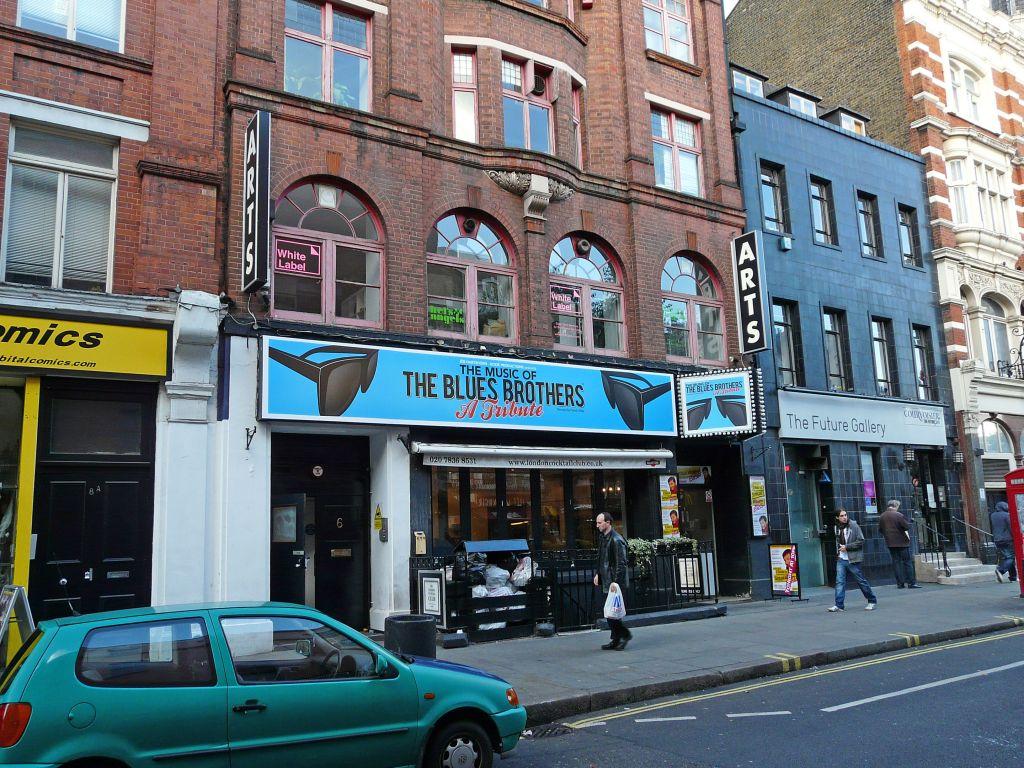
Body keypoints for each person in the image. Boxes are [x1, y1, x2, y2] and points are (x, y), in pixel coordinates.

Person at [593, 512, 632, 650]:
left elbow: (621, 563)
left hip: (614, 582)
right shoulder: (603, 538)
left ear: (608, 522)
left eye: (599, 523)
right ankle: (616, 639)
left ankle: (625, 635)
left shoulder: (616, 540)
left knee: (613, 613)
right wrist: (598, 574)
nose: (597, 525)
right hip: (606, 579)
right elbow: (601, 558)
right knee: (610, 612)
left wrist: (615, 583)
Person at [828, 508, 878, 612]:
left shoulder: (853, 525)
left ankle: (872, 601)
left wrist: (847, 547)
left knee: (861, 581)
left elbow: (861, 540)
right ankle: (839, 605)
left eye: (845, 515)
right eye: (841, 516)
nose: (844, 517)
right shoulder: (837, 528)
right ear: (837, 517)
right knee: (839, 582)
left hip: (852, 558)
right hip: (841, 558)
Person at [879, 500, 919, 589]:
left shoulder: (882, 516)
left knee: (896, 563)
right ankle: (911, 583)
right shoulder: (898, 515)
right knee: (907, 562)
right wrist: (909, 522)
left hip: (890, 543)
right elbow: (906, 527)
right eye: (898, 506)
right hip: (902, 542)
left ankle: (900, 584)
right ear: (895, 506)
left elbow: (880, 530)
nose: (898, 508)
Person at [991, 501, 1017, 583]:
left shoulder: (993, 515)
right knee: (1011, 557)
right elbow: (1011, 527)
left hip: (997, 540)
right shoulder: (1007, 515)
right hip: (1008, 539)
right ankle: (1000, 570)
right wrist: (1015, 536)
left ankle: (1013, 577)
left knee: (1008, 557)